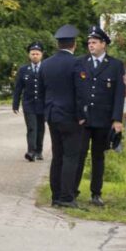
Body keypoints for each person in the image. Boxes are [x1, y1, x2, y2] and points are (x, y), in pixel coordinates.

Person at [75, 25, 125, 207]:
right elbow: (77, 91)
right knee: (79, 154)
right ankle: (73, 190)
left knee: (98, 157)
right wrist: (77, 114)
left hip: (103, 120)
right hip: (84, 119)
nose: (91, 45)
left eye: (94, 42)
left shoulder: (115, 65)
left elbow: (119, 94)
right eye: (89, 42)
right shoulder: (81, 62)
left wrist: (117, 119)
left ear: (104, 44)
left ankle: (96, 193)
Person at [40, 24, 82, 208]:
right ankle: (66, 196)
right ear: (74, 44)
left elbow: (42, 91)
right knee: (71, 156)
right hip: (71, 116)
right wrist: (82, 115)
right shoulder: (77, 64)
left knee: (57, 155)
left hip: (52, 115)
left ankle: (55, 195)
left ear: (58, 44)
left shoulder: (46, 63)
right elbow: (80, 92)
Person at [12, 42, 46, 162]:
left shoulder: (45, 68)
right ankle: (31, 151)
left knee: (40, 128)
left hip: (43, 104)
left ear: (41, 55)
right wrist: (15, 104)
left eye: (37, 54)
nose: (35, 56)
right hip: (29, 104)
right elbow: (18, 88)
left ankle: (39, 151)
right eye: (33, 54)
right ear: (29, 55)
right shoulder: (23, 69)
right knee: (32, 127)